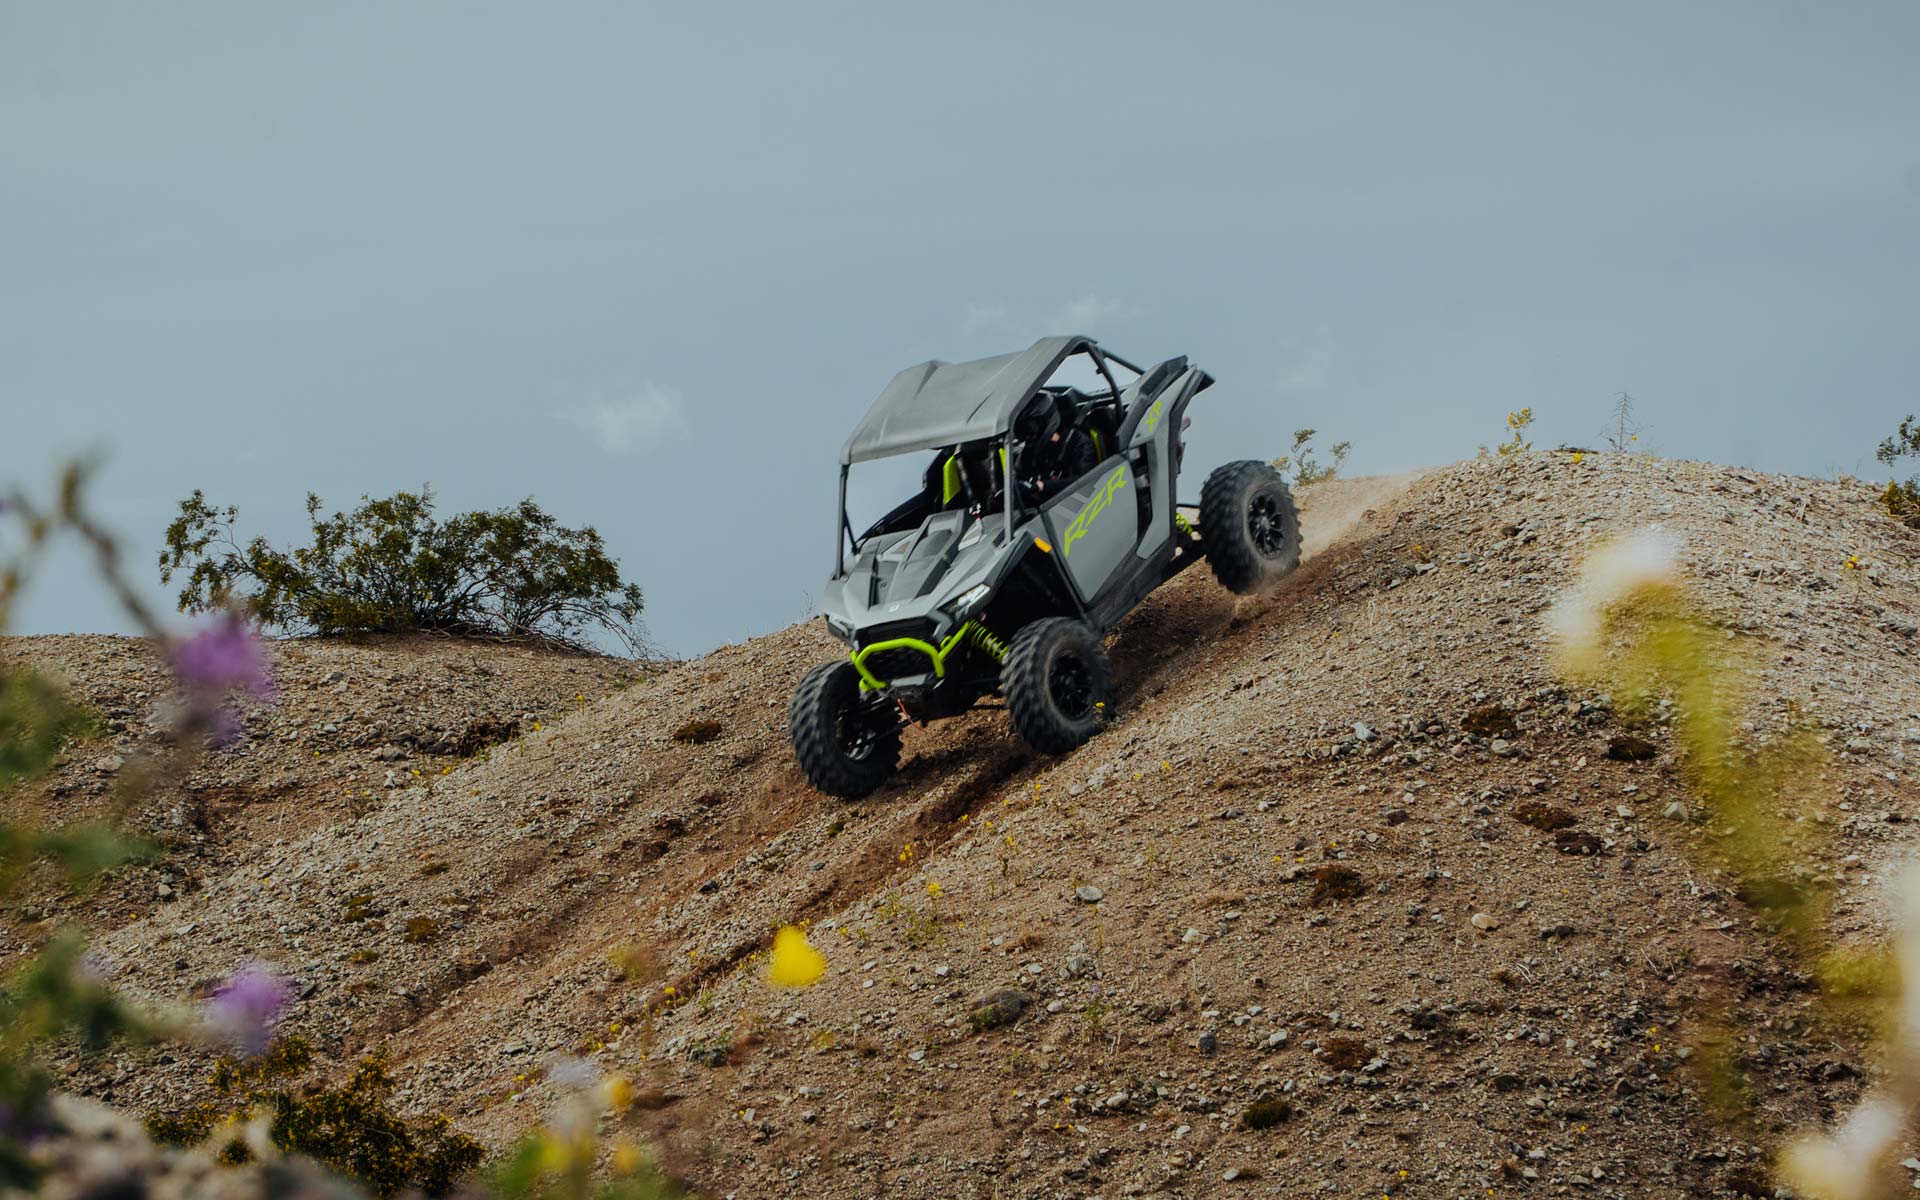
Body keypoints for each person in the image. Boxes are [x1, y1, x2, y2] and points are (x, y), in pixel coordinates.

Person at [1012, 394, 1098, 501]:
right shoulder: (1030, 451)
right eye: (1021, 432)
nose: (1026, 437)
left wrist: (1043, 486)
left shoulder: (1078, 443)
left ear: (1046, 420)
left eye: (1030, 430)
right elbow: (1017, 477)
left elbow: (1085, 481)